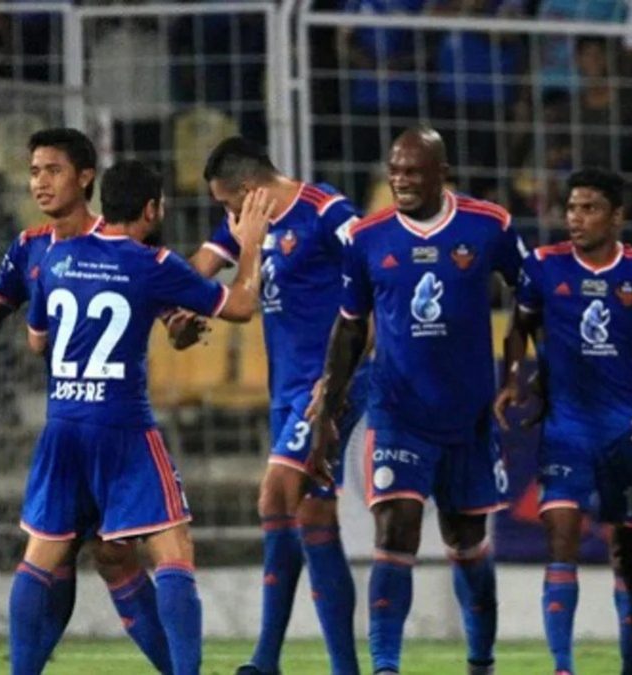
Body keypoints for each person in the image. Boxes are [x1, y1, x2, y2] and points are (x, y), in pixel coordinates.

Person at [12, 160, 267, 675]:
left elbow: (38, 341)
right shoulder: (153, 263)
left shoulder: (56, 255)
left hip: (63, 426)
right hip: (123, 426)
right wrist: (250, 245)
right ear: (151, 209)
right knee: (173, 549)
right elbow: (241, 305)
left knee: (42, 555)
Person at [307, 125, 525, 675]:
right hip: (398, 412)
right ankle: (386, 666)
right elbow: (350, 327)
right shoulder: (367, 237)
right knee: (395, 527)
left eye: (412, 171)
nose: (400, 180)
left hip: (469, 417)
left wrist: (517, 372)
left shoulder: (488, 225)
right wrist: (328, 406)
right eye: (394, 170)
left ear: (441, 173)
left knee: (466, 541)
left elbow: (533, 295)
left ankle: (481, 662)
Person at [0, 128, 177, 671]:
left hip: (115, 426)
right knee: (60, 552)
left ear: (86, 176)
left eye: (53, 170)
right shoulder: (30, 245)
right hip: (70, 426)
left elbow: (170, 309)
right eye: (34, 172)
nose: (40, 183)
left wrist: (182, 324)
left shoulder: (121, 242)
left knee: (108, 555)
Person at [179, 136, 368, 675]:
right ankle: (284, 663)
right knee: (306, 512)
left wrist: (336, 381)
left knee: (277, 495)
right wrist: (177, 308)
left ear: (248, 189)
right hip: (287, 390)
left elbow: (374, 283)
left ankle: (276, 660)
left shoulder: (327, 212)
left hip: (329, 385)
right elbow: (200, 268)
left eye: (226, 202)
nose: (225, 214)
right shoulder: (249, 223)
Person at [494, 167, 632, 675]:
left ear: (617, 217)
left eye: (590, 209)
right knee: (561, 539)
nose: (576, 218)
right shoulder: (543, 266)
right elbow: (519, 328)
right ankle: (563, 667)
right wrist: (514, 378)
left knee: (626, 553)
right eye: (572, 208)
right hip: (567, 428)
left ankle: (630, 667)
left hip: (626, 430)